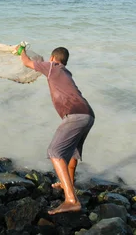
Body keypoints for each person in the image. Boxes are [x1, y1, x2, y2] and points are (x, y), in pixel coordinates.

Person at [18, 46, 95, 214]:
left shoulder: (53, 67)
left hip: (75, 115)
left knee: (55, 151)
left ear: (52, 58)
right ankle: (67, 183)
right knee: (73, 152)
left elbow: (27, 62)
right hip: (88, 115)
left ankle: (71, 200)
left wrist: (21, 49)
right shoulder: (66, 72)